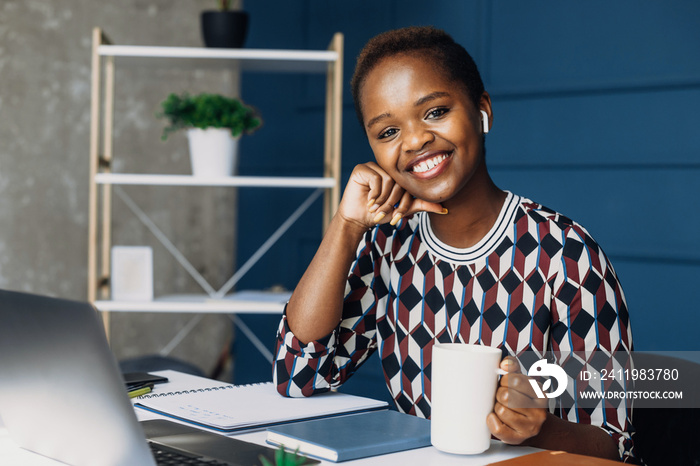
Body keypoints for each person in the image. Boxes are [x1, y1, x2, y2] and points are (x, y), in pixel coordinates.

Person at [273, 26, 635, 462]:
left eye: (435, 111)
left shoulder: (565, 254)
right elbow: (297, 375)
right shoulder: (389, 246)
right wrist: (347, 225)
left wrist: (540, 427)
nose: (414, 140)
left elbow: (616, 446)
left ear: (482, 110)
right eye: (387, 132)